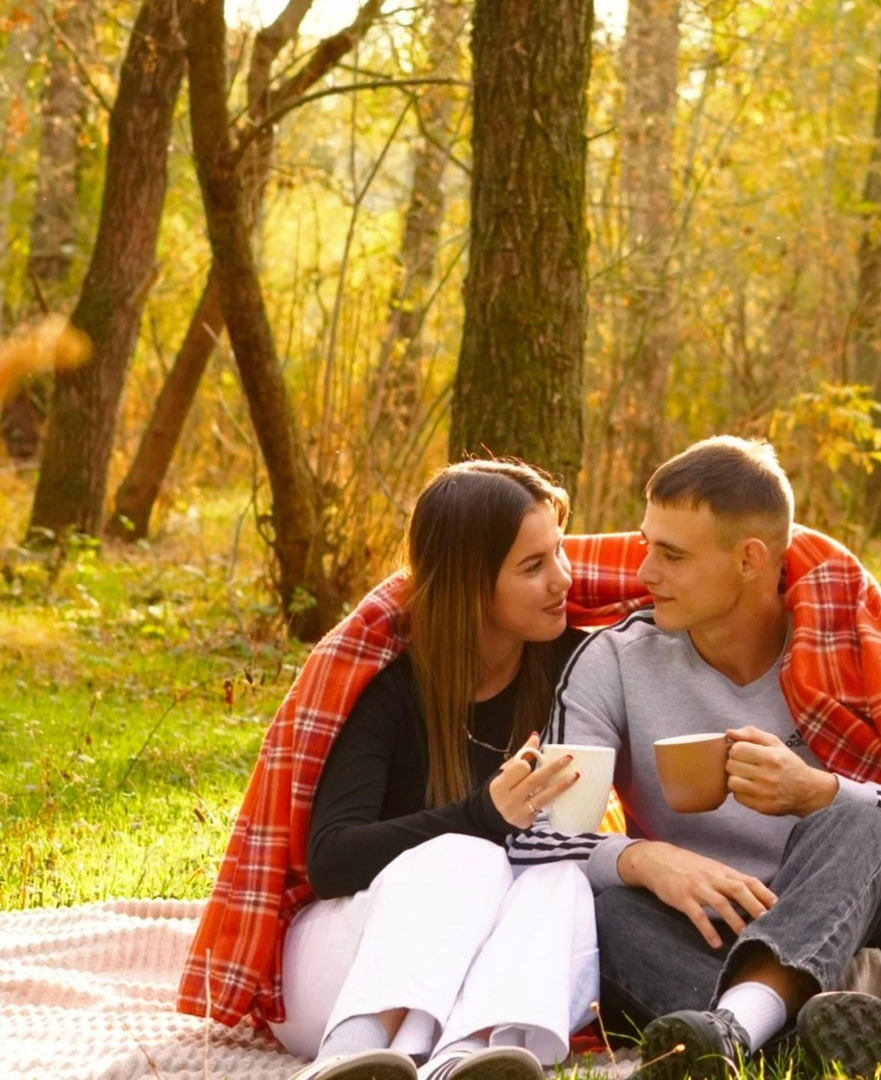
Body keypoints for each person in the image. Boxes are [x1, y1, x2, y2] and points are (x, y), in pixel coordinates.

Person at [511, 437, 881, 1078]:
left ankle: (736, 1026)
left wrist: (818, 793)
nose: (645, 574)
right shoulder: (614, 661)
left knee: (856, 819)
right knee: (608, 910)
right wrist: (642, 858)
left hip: (851, 912)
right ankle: (795, 1037)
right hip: (701, 927)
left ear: (750, 559)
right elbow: (553, 833)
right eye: (646, 547)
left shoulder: (848, 653)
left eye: (671, 555)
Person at [177, 460, 601, 1080]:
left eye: (559, 552)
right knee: (469, 854)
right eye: (533, 567)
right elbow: (331, 860)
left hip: (478, 978)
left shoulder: (568, 668)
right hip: (348, 965)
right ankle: (352, 1055)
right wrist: (480, 816)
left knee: (560, 878)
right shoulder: (389, 688)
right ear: (469, 586)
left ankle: (475, 1057)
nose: (562, 579)